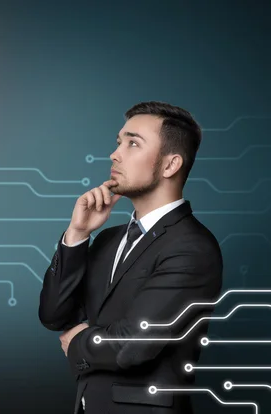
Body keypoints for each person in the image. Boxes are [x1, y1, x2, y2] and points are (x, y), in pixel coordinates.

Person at [38, 101, 223, 414]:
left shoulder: (192, 246)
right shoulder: (109, 239)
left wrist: (78, 344)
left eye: (133, 143)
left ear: (170, 165)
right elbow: (54, 315)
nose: (115, 154)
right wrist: (77, 234)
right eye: (119, 142)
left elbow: (133, 345)